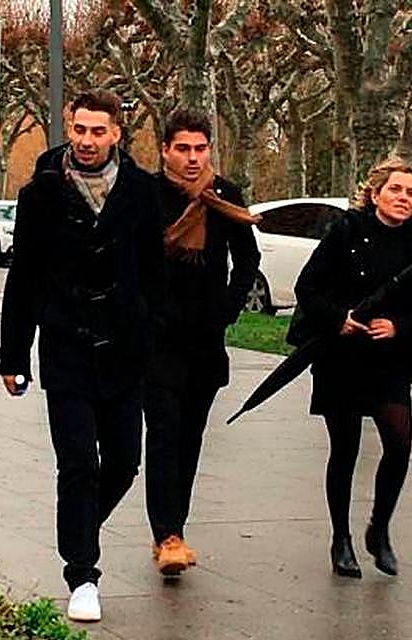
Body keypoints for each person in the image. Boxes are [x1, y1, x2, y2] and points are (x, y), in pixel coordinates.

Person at [0, 89, 165, 622]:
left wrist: (150, 331)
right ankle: (82, 574)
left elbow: (155, 273)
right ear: (68, 128)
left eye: (98, 131)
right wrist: (13, 354)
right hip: (66, 346)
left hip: (125, 350)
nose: (87, 140)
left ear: (116, 133)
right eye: (79, 129)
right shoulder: (41, 193)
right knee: (77, 464)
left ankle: (80, 525)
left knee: (123, 462)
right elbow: (23, 278)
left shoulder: (143, 192)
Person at [292, 158, 412, 578]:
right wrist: (338, 318)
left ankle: (379, 529)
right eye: (395, 189)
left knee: (399, 444)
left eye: (411, 193)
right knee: (345, 449)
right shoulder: (346, 232)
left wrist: (399, 326)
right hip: (341, 356)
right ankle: (340, 539)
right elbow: (307, 287)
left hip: (391, 360)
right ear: (375, 194)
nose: (403, 198)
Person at [144, 109, 260, 576]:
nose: (193, 158)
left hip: (205, 340)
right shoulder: (147, 195)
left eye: (200, 148)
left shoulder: (224, 196)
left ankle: (174, 528)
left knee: (189, 439)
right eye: (183, 149)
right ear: (165, 151)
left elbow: (247, 259)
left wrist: (227, 309)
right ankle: (167, 535)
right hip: (157, 340)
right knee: (164, 434)